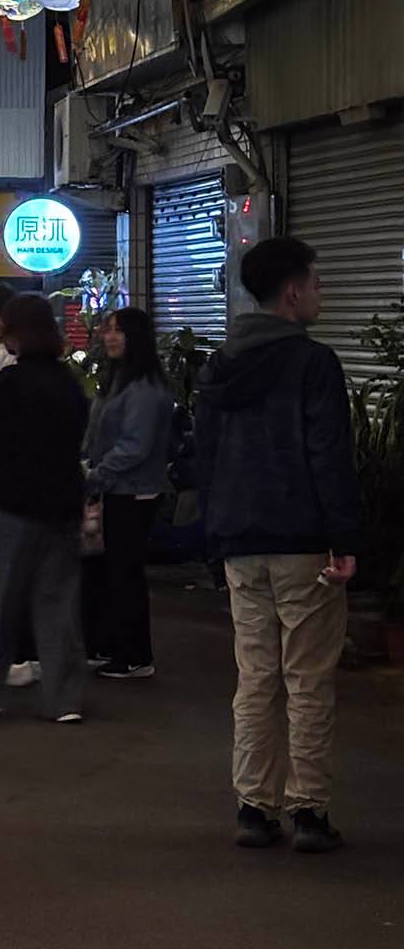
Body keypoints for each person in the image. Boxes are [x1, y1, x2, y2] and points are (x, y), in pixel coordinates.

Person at [196, 237, 360, 854]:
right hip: (302, 542)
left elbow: (205, 459)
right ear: (292, 291)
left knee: (256, 675)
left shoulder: (219, 363)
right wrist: (344, 538)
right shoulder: (313, 364)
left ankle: (252, 808)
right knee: (308, 679)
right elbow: (329, 456)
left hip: (240, 541)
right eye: (316, 282)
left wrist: (215, 535)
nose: (320, 291)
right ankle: (309, 811)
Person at [0, 292, 90, 723]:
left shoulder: (11, 383)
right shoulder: (68, 385)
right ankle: (65, 699)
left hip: (11, 505)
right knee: (58, 604)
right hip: (61, 505)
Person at [83, 306, 177, 681]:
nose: (109, 337)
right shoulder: (119, 379)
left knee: (125, 573)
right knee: (110, 571)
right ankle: (111, 646)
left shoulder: (145, 388)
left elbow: (135, 446)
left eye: (118, 332)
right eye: (107, 331)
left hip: (133, 492)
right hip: (116, 489)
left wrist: (96, 476)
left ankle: (134, 655)